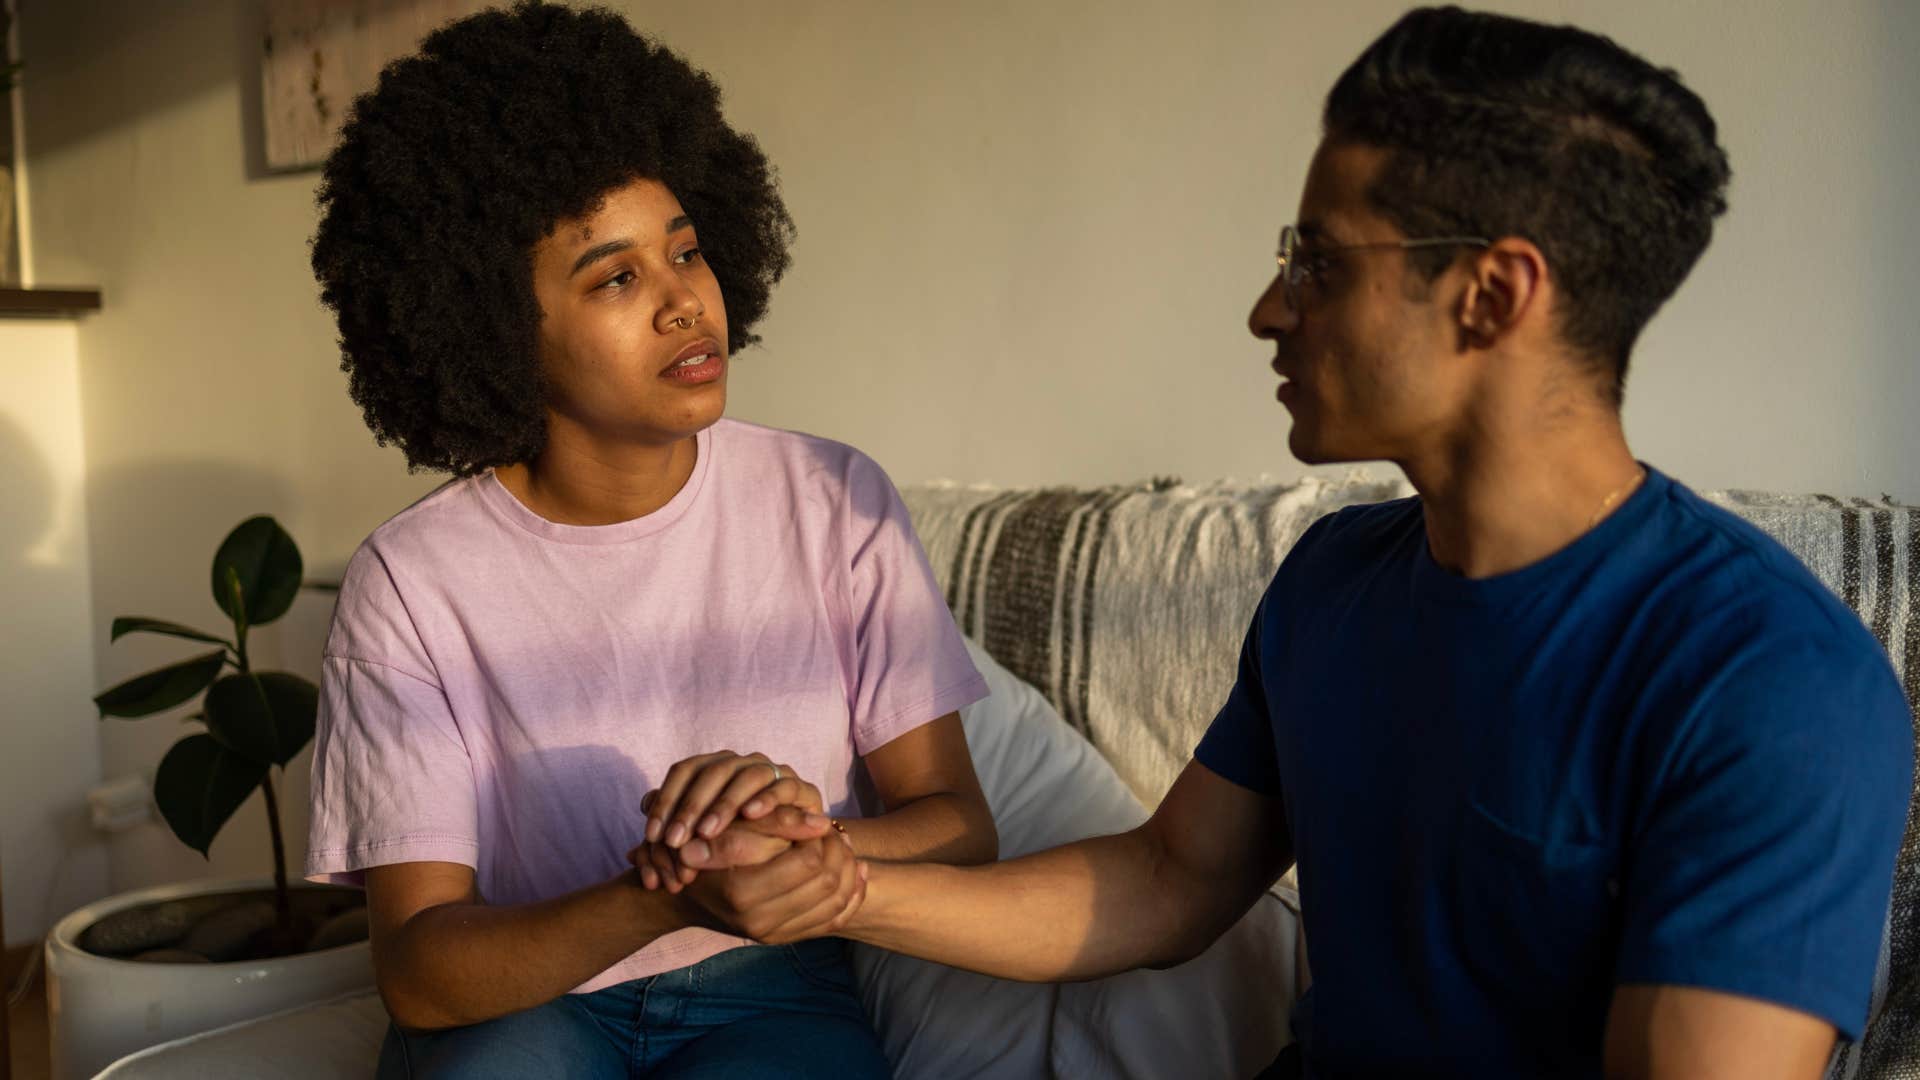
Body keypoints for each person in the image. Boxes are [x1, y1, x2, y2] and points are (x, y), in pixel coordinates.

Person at [658, 7, 1913, 1078]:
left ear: (1493, 295)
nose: (1269, 309)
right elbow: (1168, 881)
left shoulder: (1772, 686)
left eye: (1316, 262)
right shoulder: (1335, 581)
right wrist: (839, 889)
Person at [302, 4, 993, 1077]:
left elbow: (957, 824)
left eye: (687, 251)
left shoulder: (832, 498)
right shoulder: (412, 583)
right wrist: (662, 886)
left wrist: (793, 852)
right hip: (524, 996)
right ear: (490, 325)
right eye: (615, 277)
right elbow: (422, 973)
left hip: (776, 987)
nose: (684, 303)